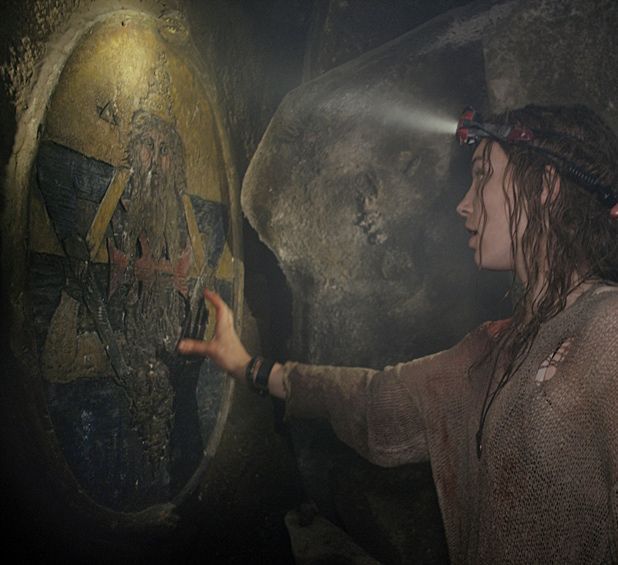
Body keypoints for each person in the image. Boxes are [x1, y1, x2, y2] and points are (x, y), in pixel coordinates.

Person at [178, 104, 618, 563]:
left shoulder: (608, 329)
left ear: (545, 186)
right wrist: (249, 367)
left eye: (483, 175)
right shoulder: (495, 348)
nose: (464, 202)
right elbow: (375, 402)